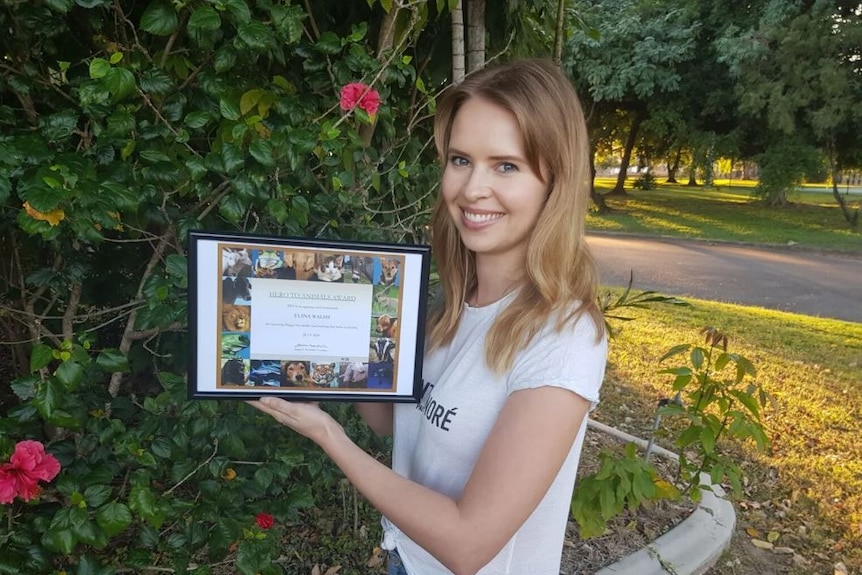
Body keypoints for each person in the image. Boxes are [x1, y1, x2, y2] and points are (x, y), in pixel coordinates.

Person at [250, 58, 608, 575]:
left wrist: (328, 435)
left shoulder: (563, 339)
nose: (471, 189)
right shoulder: (452, 303)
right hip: (408, 558)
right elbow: (395, 423)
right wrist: (323, 353)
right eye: (461, 159)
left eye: (506, 165)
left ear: (555, 181)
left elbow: (468, 544)